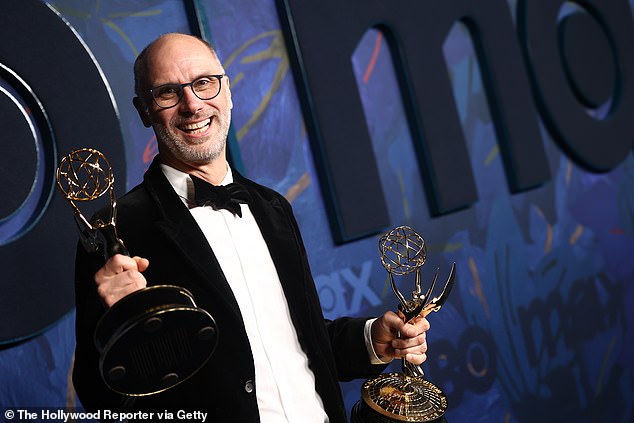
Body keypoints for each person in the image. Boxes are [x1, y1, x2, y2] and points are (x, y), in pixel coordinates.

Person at [72, 32, 430, 422]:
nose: (193, 104)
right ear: (144, 110)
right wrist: (115, 327)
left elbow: (297, 341)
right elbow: (101, 397)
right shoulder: (119, 231)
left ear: (227, 91)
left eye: (204, 83)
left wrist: (370, 339)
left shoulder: (273, 207)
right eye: (168, 93)